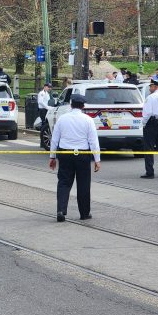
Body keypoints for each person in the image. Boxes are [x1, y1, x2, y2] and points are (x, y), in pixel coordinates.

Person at [49, 93, 101, 222]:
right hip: (82, 155)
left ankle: (61, 210)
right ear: (83, 106)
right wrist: (97, 159)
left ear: (71, 105)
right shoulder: (88, 119)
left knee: (64, 183)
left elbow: (54, 139)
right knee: (83, 184)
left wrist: (52, 156)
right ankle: (84, 213)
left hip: (65, 154)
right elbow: (93, 141)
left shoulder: (62, 118)